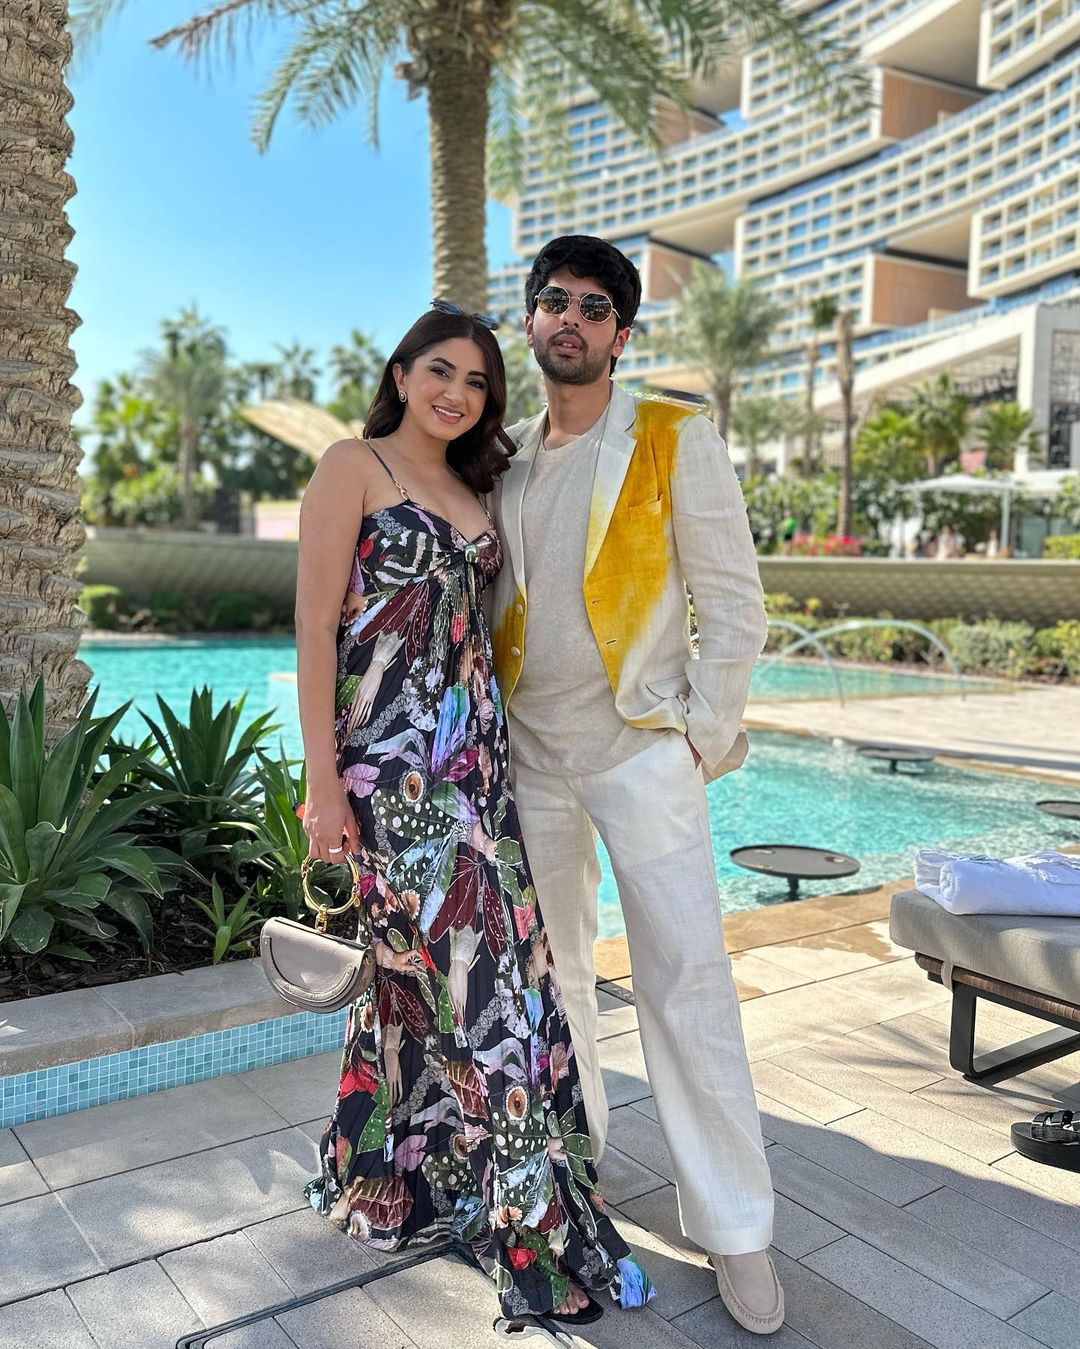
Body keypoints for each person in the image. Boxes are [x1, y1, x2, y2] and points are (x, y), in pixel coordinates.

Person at [293, 302, 653, 1327]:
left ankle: (395, 1176)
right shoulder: (352, 466)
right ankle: (524, 1221)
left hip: (477, 770)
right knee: (480, 989)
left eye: (478, 381)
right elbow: (315, 630)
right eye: (441, 370)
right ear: (402, 373)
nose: (457, 392)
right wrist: (324, 784)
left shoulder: (476, 486)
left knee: (454, 981)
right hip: (389, 775)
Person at [487, 236, 784, 1335]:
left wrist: (700, 736)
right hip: (532, 758)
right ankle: (580, 1169)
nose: (570, 319)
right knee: (554, 978)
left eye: (594, 307)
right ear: (531, 319)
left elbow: (735, 603)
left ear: (621, 332)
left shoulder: (670, 434)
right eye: (553, 301)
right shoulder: (506, 458)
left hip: (641, 751)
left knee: (685, 980)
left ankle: (737, 1226)